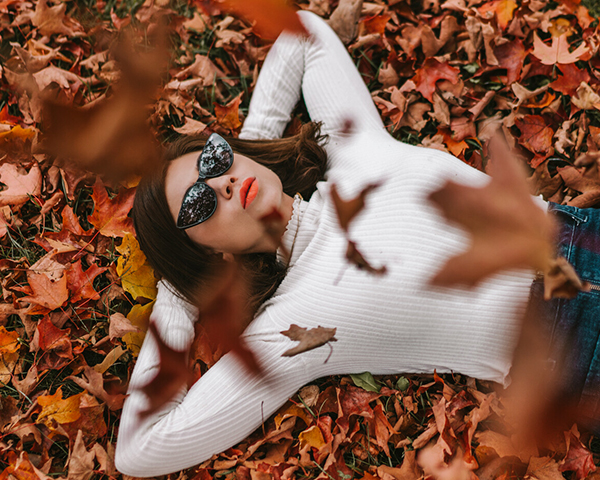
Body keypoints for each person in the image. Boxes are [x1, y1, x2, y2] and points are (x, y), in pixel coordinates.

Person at [114, 10, 598, 477]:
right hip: (574, 343)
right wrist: (180, 290)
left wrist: (250, 145)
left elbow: (303, 32)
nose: (221, 183)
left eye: (214, 159)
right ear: (206, 251)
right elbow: (140, 449)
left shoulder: (350, 151)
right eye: (198, 203)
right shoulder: (294, 327)